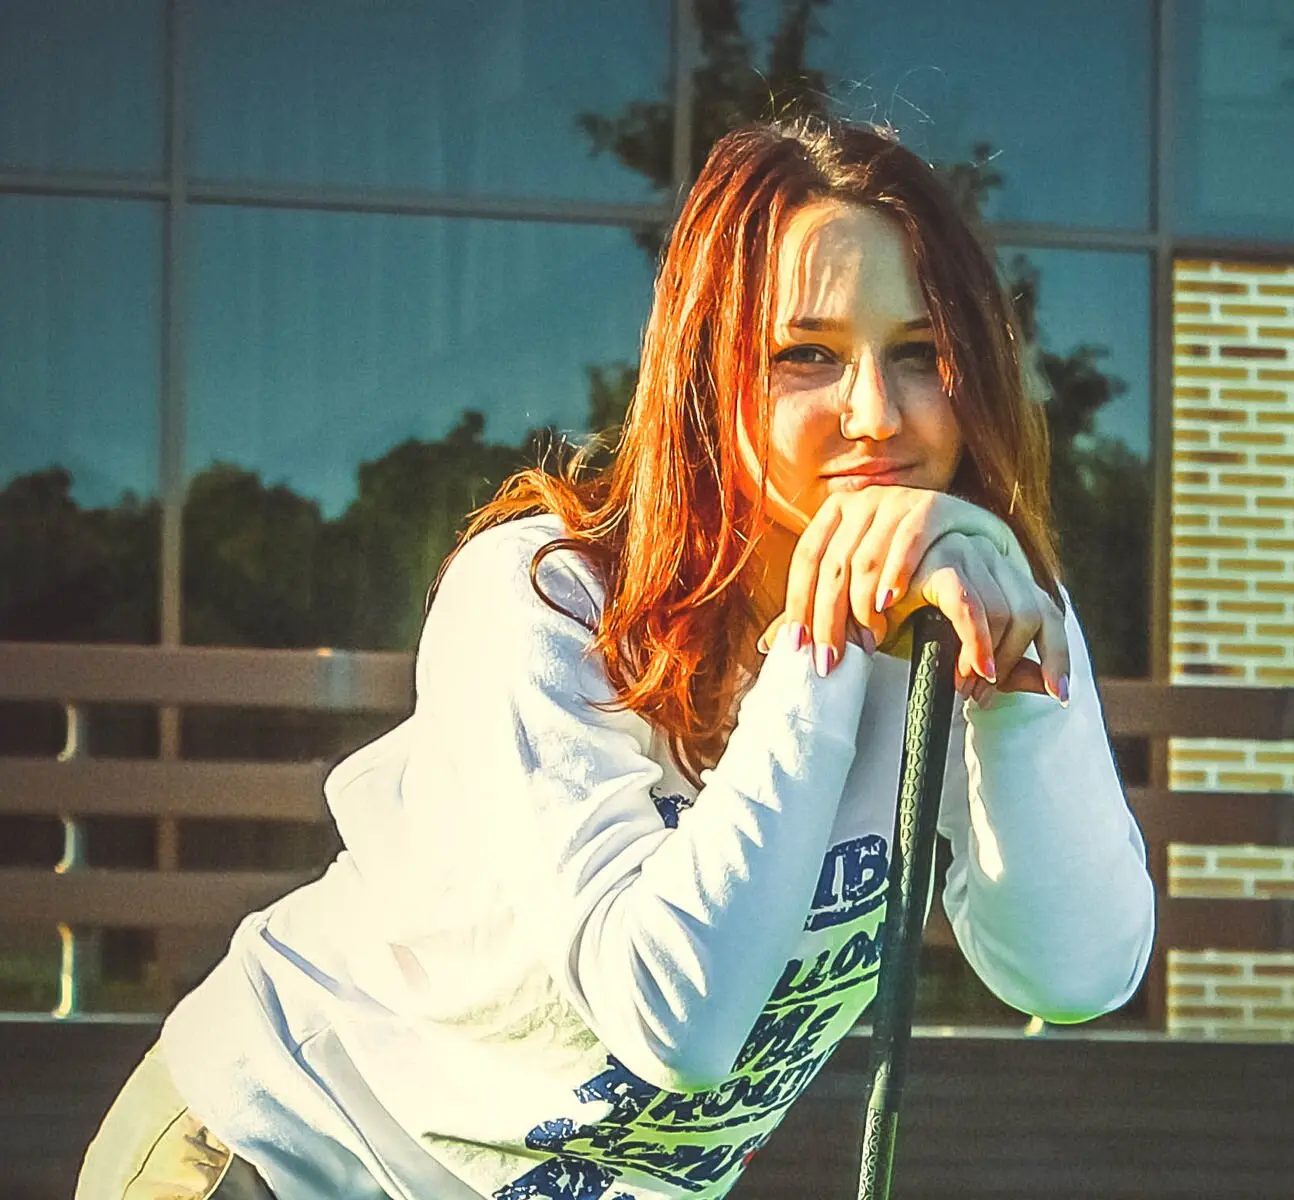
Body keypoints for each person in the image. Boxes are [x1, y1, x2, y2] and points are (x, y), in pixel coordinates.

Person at [77, 117, 1155, 1200]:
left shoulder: (974, 601)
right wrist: (820, 637)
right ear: (707, 374)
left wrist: (1017, 697)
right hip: (286, 1150)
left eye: (921, 354)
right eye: (806, 356)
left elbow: (1073, 974)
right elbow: (671, 1016)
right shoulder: (544, 595)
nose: (875, 415)